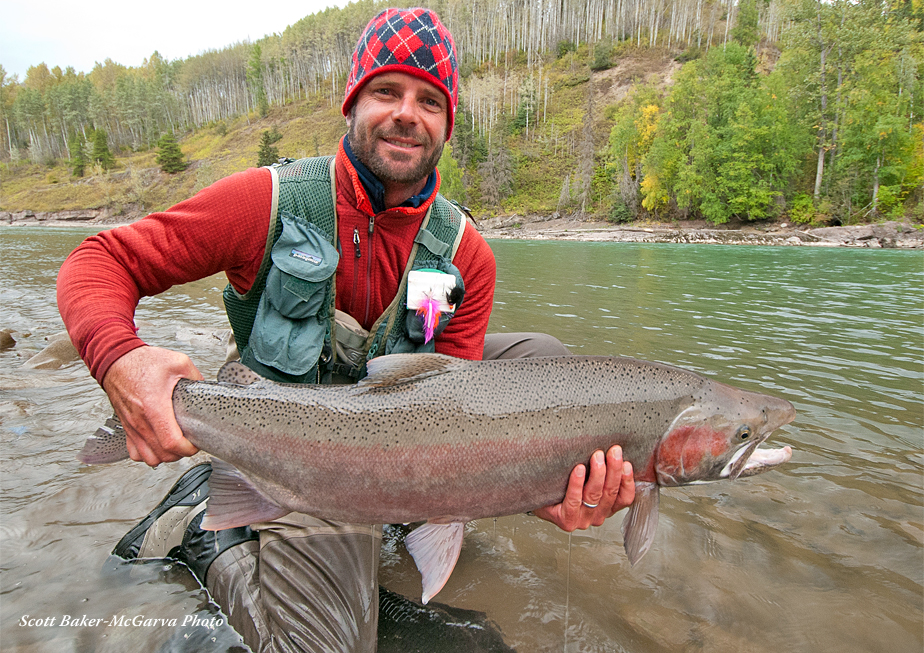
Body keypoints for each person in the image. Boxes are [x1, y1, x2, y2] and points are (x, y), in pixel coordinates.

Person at [57, 8, 635, 652]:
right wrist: (120, 361)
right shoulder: (268, 202)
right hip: (287, 421)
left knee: (544, 362)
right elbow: (98, 261)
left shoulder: (466, 252)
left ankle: (383, 507)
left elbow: (457, 400)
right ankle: (214, 535)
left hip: (388, 423)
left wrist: (541, 484)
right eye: (387, 91)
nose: (407, 114)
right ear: (352, 102)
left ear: (446, 123)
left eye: (429, 100)